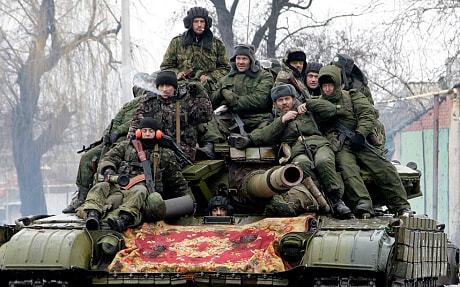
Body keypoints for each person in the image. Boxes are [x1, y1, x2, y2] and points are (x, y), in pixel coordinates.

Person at [301, 65, 411, 217]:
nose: (327, 89)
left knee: (384, 168)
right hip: (340, 146)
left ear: (338, 84)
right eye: (324, 85)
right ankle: (364, 206)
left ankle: (401, 206)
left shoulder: (352, 96)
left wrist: (360, 133)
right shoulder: (317, 103)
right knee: (348, 171)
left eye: (330, 85)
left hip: (360, 140)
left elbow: (367, 113)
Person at [229, 84, 352, 218]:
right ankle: (321, 201)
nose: (284, 103)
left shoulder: (307, 112)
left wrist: (309, 104)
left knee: (323, 161)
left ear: (293, 99)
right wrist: (282, 120)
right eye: (280, 100)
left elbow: (332, 110)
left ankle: (336, 200)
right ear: (275, 104)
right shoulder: (275, 120)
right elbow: (264, 135)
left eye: (287, 99)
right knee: (302, 165)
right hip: (297, 151)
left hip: (320, 144)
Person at [77, 117, 192, 232]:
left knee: (139, 191)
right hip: (118, 187)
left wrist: (190, 200)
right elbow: (108, 158)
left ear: (157, 133)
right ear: (138, 132)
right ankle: (92, 214)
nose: (147, 134)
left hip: (142, 193)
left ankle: (124, 220)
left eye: (151, 131)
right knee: (100, 187)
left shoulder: (165, 154)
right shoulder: (126, 146)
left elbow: (177, 180)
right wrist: (108, 170)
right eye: (144, 131)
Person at [63, 73, 153, 213]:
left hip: (128, 140)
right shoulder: (129, 105)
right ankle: (82, 196)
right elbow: (115, 121)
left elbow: (140, 123)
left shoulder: (151, 104)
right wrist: (107, 135)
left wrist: (120, 131)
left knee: (112, 162)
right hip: (111, 140)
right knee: (88, 157)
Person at [198, 44, 274, 157]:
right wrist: (221, 93)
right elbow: (211, 103)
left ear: (251, 60)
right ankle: (209, 147)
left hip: (258, 119)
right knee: (208, 121)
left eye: (244, 58)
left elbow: (260, 99)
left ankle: (247, 140)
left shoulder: (264, 76)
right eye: (238, 58)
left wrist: (235, 101)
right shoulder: (225, 79)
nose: (241, 62)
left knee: (268, 128)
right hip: (231, 119)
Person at [128, 70, 213, 161]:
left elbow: (206, 116)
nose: (164, 89)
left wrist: (201, 93)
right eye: (161, 86)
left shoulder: (186, 101)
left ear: (175, 87)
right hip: (154, 146)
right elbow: (136, 125)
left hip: (181, 150)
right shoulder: (149, 101)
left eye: (168, 86)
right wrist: (132, 145)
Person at [160, 6, 229, 94]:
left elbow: (225, 68)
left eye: (202, 21)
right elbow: (166, 66)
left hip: (208, 88)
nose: (199, 25)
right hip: (181, 87)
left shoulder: (217, 44)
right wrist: (177, 73)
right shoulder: (177, 42)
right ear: (190, 23)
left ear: (206, 23)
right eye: (196, 21)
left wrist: (210, 77)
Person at [332, 53, 386, 148]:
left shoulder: (359, 86)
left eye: (338, 69)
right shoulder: (327, 81)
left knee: (375, 129)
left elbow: (369, 111)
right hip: (334, 120)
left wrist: (360, 134)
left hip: (356, 120)